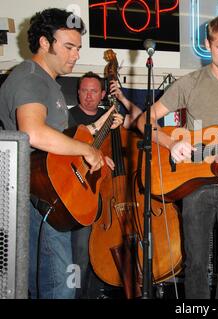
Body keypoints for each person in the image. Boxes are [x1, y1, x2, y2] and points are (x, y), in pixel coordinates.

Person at [135, 15, 218, 299]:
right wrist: (170, 143)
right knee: (195, 263)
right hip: (194, 181)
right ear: (207, 44)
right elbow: (145, 121)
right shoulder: (190, 83)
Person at [0, 8, 119, 299]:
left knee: (49, 284)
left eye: (78, 48)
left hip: (50, 196)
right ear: (44, 42)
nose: (76, 55)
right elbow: (35, 133)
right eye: (68, 47)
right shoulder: (31, 78)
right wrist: (87, 150)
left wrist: (96, 140)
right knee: (60, 287)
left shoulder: (49, 84)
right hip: (34, 198)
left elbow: (60, 145)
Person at [69, 71, 125, 299]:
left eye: (94, 91)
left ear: (103, 94)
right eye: (84, 91)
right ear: (78, 93)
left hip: (108, 196)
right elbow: (70, 151)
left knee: (103, 250)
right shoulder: (70, 118)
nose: (89, 96)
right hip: (81, 195)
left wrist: (120, 126)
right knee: (80, 252)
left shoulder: (110, 116)